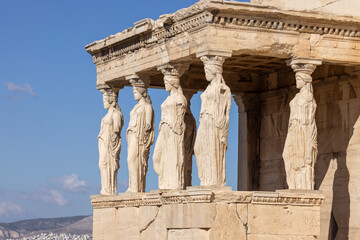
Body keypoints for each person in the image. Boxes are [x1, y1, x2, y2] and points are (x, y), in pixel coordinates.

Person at [153, 75, 187, 190]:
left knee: (173, 156)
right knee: (156, 158)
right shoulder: (168, 99)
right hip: (163, 129)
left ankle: (173, 184)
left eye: (166, 82)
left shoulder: (180, 98)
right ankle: (165, 181)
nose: (165, 84)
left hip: (173, 131)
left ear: (172, 83)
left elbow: (181, 116)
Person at [126, 83, 155, 192]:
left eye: (135, 92)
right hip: (132, 136)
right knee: (130, 160)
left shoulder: (147, 107)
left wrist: (143, 138)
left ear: (141, 92)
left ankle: (136, 187)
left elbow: (148, 125)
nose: (134, 94)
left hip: (139, 138)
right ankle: (133, 186)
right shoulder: (135, 107)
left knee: (134, 159)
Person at [98, 89, 123, 195]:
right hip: (103, 142)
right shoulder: (107, 115)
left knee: (107, 163)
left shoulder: (116, 113)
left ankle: (109, 190)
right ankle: (105, 188)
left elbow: (117, 129)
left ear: (111, 100)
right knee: (102, 164)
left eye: (105, 99)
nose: (103, 102)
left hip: (110, 144)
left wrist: (112, 141)